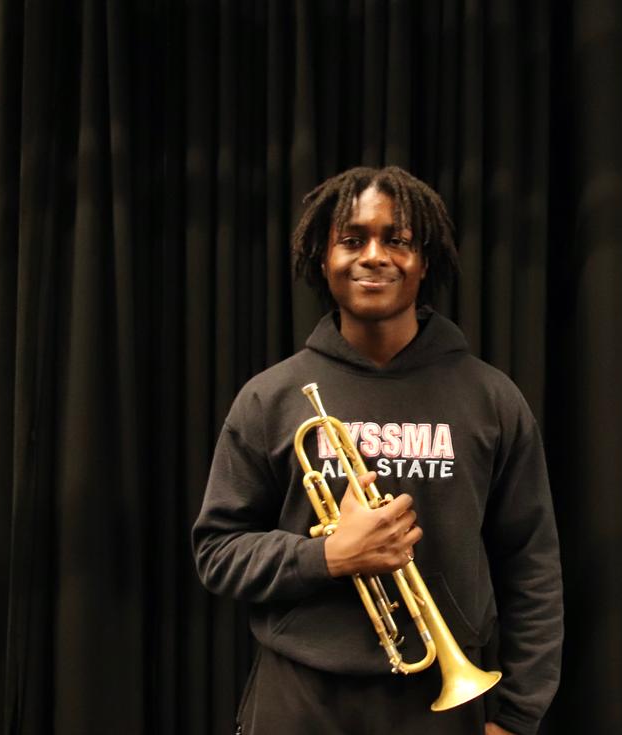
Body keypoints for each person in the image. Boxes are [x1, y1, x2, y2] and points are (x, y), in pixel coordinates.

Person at [192, 166, 563, 735]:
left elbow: (532, 565)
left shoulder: (491, 398)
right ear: (323, 260)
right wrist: (330, 556)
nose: (373, 256)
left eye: (397, 240)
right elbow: (217, 552)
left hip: (443, 700)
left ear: (424, 261)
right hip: (299, 699)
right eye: (351, 239)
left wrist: (516, 715)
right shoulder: (270, 397)